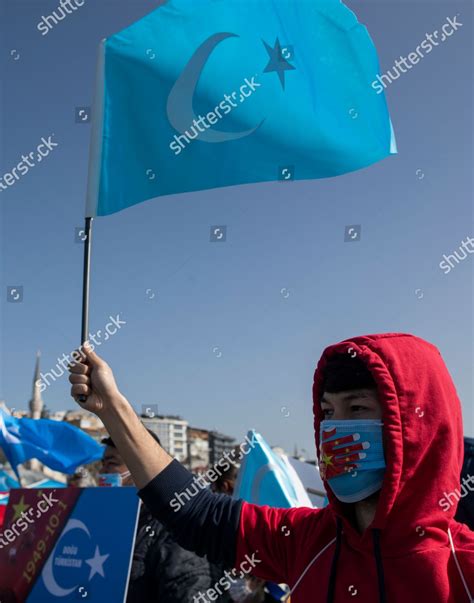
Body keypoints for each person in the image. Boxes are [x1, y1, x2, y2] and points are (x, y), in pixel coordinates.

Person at [69, 333, 474, 602]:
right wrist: (113, 409)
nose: (334, 429)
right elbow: (195, 512)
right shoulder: (309, 540)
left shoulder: (463, 568)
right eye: (327, 412)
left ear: (415, 427)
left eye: (357, 408)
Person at [99, 429, 213, 602]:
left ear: (141, 468)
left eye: (111, 463)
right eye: (103, 463)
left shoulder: (173, 532)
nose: (103, 471)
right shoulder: (103, 522)